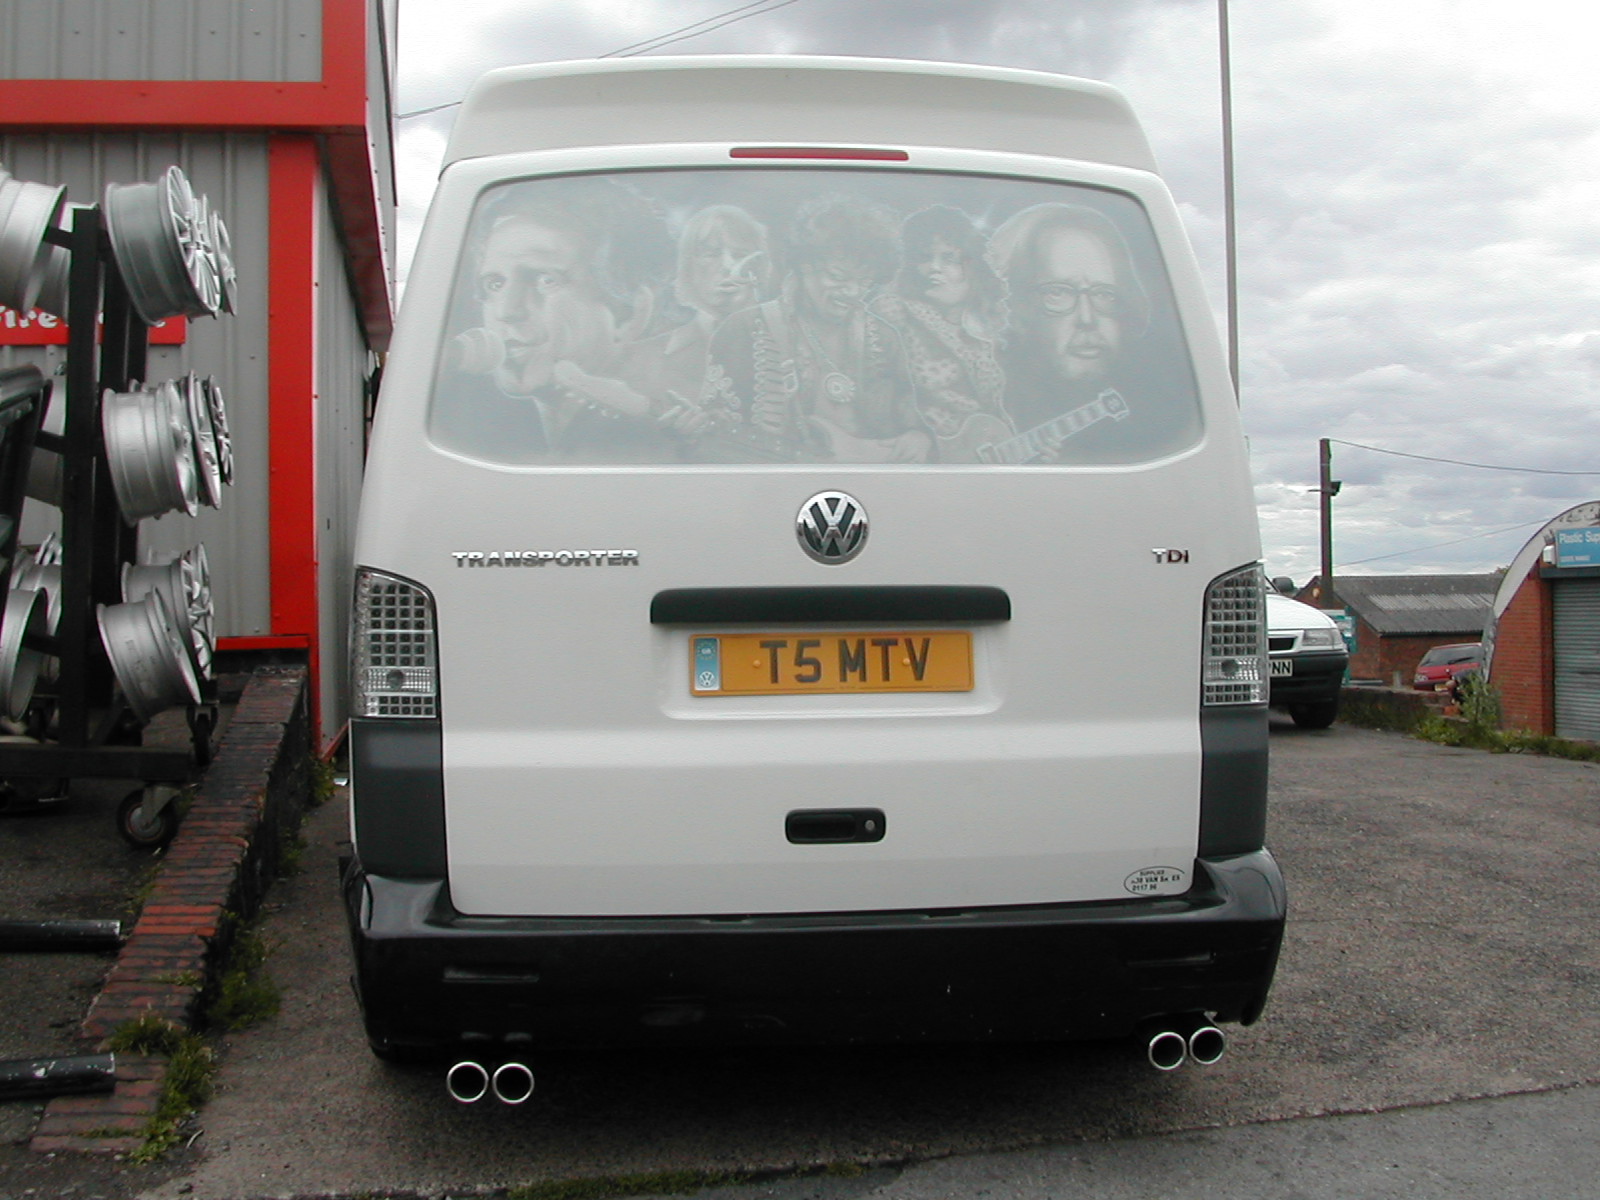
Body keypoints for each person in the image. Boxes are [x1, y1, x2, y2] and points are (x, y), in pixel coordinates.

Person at [694, 195, 928, 463]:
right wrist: (695, 428)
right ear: (805, 266)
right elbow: (713, 434)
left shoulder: (885, 338)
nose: (853, 291)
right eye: (838, 277)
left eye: (864, 281)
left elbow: (911, 418)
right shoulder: (743, 329)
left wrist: (919, 438)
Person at [434, 198, 663, 461]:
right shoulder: (479, 443)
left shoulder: (656, 442)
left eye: (546, 280)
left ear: (629, 314)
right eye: (495, 284)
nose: (506, 311)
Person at [986, 203, 1150, 463]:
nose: (1086, 318)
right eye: (1057, 292)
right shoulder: (984, 406)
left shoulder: (1162, 414)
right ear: (1014, 305)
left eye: (1104, 294)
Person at [870, 205, 1010, 462]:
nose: (934, 268)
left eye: (948, 258)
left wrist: (1022, 450)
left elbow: (994, 416)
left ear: (972, 265)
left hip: (979, 463)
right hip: (914, 461)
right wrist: (914, 432)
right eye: (924, 258)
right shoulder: (892, 312)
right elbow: (873, 390)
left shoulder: (988, 326)